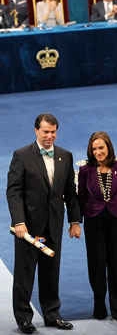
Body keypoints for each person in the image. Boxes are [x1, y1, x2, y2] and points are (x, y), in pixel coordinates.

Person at [6, 113, 81, 333]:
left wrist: (75, 220)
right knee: (24, 273)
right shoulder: (21, 156)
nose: (50, 136)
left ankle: (52, 315)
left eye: (53, 132)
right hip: (27, 229)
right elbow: (14, 192)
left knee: (51, 272)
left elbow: (70, 192)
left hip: (54, 225)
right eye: (46, 131)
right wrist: (18, 221)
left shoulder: (65, 156)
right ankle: (24, 319)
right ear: (36, 130)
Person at [78, 132, 117, 321]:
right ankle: (99, 304)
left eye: (101, 148)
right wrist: (75, 222)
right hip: (93, 221)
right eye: (94, 149)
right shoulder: (85, 170)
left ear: (108, 147)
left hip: (115, 219)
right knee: (96, 264)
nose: (98, 152)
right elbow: (81, 198)